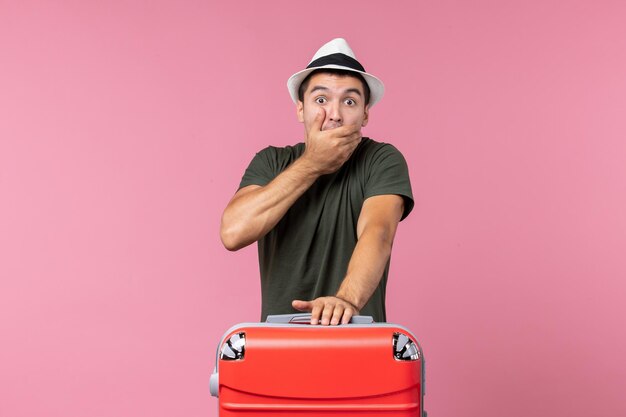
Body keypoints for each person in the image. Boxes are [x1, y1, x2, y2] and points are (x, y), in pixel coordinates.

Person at [220, 38, 414, 325]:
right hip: (281, 346)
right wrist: (312, 164)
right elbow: (233, 233)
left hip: (357, 342)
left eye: (349, 101)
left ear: (365, 114)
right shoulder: (271, 162)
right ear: (301, 109)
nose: (334, 115)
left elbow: (379, 232)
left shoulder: (381, 159)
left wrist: (346, 300)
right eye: (321, 100)